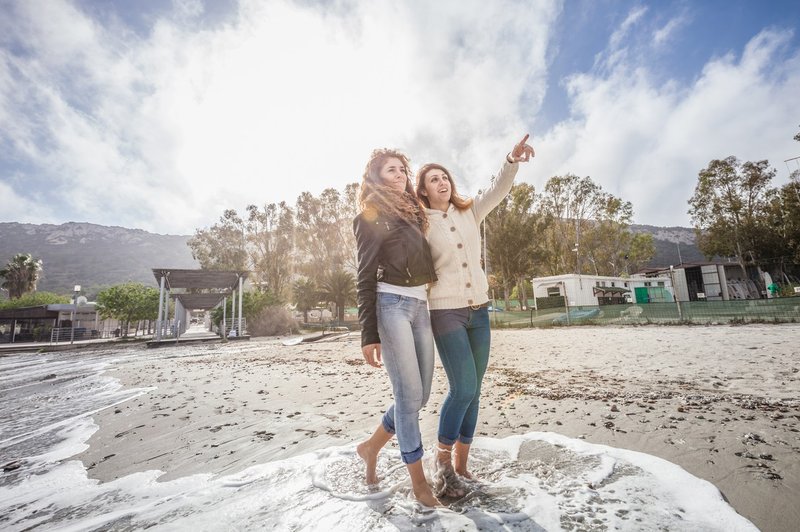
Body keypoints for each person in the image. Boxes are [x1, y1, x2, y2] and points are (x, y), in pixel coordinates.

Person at [415, 134, 535, 498]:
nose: (442, 182)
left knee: (476, 389)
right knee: (462, 386)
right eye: (433, 179)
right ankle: (442, 464)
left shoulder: (470, 210)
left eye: (445, 176)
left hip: (479, 310)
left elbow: (498, 189)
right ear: (423, 190)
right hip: (445, 311)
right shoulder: (420, 223)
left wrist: (511, 161)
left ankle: (463, 466)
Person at [353, 148, 441, 507]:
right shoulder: (369, 217)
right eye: (392, 170)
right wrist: (368, 333)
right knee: (408, 400)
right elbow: (363, 277)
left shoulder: (414, 213)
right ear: (376, 177)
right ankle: (420, 484)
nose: (401, 173)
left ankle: (370, 447)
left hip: (421, 305)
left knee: (418, 397)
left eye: (403, 169)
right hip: (390, 306)